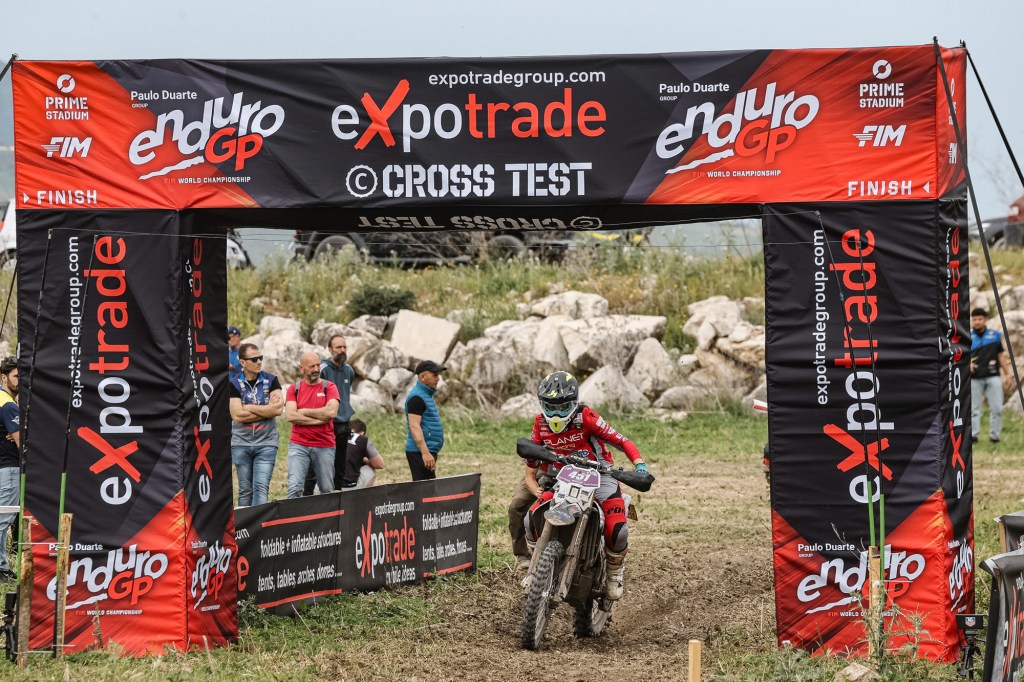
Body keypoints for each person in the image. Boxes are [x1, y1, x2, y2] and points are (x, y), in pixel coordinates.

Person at [522, 370, 647, 600]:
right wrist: (533, 473)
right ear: (541, 405)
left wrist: (639, 465)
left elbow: (621, 440)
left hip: (600, 474)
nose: (556, 413)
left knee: (617, 529)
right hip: (564, 476)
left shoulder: (586, 417)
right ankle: (537, 565)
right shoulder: (540, 422)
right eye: (550, 407)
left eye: (562, 407)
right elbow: (532, 454)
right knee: (530, 519)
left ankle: (614, 572)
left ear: (574, 403)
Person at [228, 343, 283, 507]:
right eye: (254, 359)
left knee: (261, 488)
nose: (259, 362)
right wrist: (266, 410)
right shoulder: (233, 383)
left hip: (267, 443)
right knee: (245, 490)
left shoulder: (272, 380)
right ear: (242, 362)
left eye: (260, 358)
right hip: (241, 443)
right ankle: (244, 523)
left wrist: (248, 407)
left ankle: (260, 523)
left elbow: (277, 410)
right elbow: (237, 415)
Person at [303, 334, 355, 495]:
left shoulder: (349, 370)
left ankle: (337, 494)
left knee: (340, 462)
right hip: (326, 423)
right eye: (339, 347)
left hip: (344, 424)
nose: (342, 350)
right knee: (316, 461)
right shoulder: (323, 370)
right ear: (330, 349)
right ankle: (306, 496)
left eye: (345, 347)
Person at [285, 352, 340, 498]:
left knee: (327, 489)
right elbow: (290, 415)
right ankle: (292, 513)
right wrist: (319, 420)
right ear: (301, 368)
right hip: (299, 444)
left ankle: (328, 513)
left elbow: (331, 412)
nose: (316, 369)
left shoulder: (330, 387)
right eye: (311, 366)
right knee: (294, 487)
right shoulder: (294, 389)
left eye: (318, 365)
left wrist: (304, 411)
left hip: (324, 444)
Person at [971, 308, 1013, 444]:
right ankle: (973, 436)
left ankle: (994, 437)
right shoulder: (967, 336)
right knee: (974, 409)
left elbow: (1000, 356)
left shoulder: (995, 336)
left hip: (993, 376)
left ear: (985, 320)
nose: (977, 322)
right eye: (974, 319)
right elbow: (961, 356)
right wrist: (967, 364)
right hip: (974, 378)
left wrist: (1008, 374)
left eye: (980, 319)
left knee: (997, 408)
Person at [405, 360, 446, 481]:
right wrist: (425, 453)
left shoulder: (425, 395)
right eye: (434, 375)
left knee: (428, 487)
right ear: (422, 377)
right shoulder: (417, 398)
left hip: (426, 451)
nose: (438, 378)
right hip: (419, 452)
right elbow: (414, 427)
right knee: (423, 489)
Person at [0, 357, 20, 581]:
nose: (20, 380)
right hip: (9, 469)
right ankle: (1, 568)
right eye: (16, 376)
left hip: (3, 467)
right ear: (4, 378)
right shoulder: (8, 405)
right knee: (4, 519)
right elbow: (22, 442)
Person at [339, 419, 385, 490]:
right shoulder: (362, 439)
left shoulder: (336, 435)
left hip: (328, 484)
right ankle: (362, 495)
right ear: (362, 433)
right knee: (370, 469)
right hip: (348, 487)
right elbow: (380, 464)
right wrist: (364, 459)